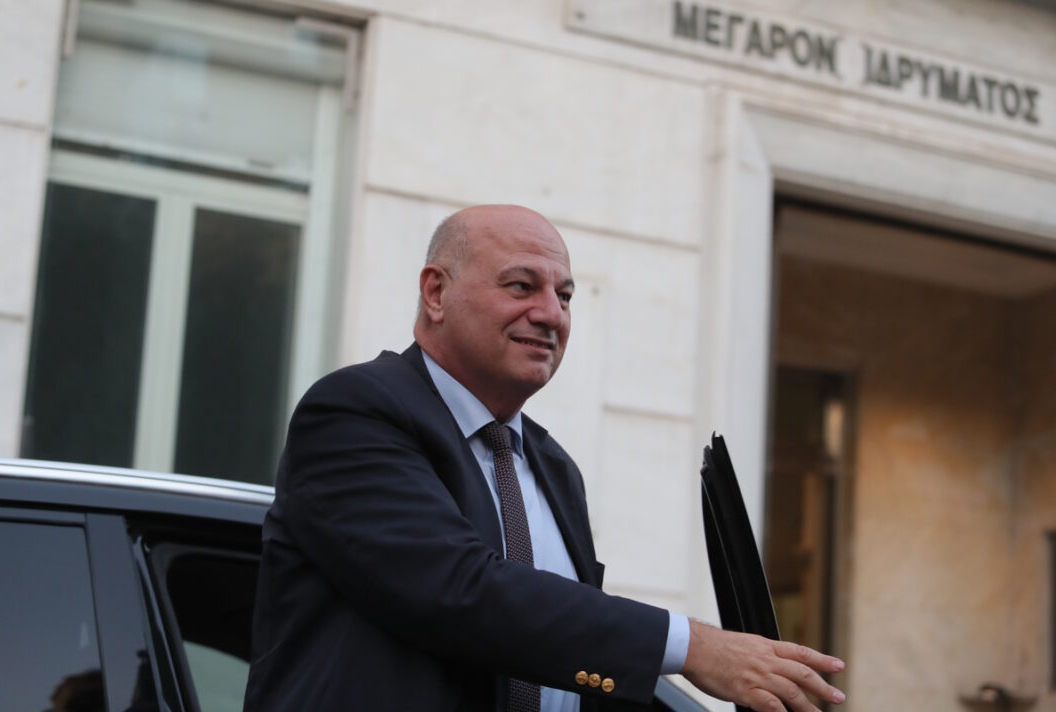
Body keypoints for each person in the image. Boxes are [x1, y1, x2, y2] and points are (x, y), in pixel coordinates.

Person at [243, 204, 846, 712]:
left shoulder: (554, 468)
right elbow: (460, 592)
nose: (551, 314)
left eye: (564, 295)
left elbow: (566, 651)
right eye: (521, 286)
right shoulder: (354, 411)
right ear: (436, 292)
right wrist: (694, 648)